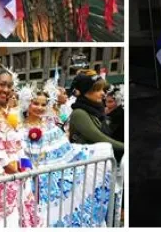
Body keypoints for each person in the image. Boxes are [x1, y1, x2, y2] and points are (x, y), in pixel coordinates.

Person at [19, 87, 114, 226]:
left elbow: (67, 150)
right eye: (36, 103)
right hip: (32, 180)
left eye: (44, 104)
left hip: (54, 177)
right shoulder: (20, 130)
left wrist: (99, 150)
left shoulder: (51, 126)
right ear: (27, 103)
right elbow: (20, 155)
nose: (39, 108)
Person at [0, 61, 39, 227]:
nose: (6, 89)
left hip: (16, 178)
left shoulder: (7, 113)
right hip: (1, 181)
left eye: (10, 86)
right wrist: (18, 174)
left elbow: (18, 147)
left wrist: (27, 168)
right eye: (2, 84)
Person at [68, 71, 124, 161]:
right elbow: (99, 137)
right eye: (97, 90)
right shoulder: (79, 113)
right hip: (86, 164)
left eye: (102, 89)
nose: (103, 93)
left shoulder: (96, 110)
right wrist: (124, 147)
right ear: (85, 92)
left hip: (97, 160)